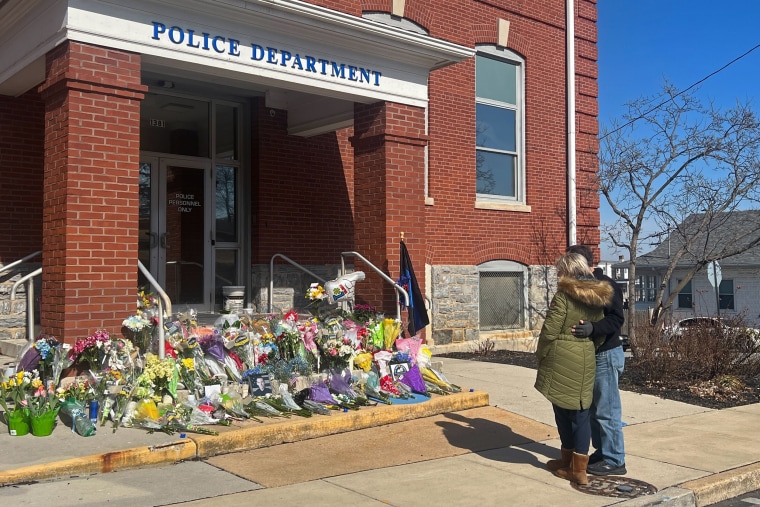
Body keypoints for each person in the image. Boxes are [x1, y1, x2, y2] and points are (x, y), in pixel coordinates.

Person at [534, 252, 613, 485]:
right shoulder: (596, 297)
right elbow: (599, 330)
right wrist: (587, 345)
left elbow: (550, 329)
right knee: (578, 412)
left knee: (564, 412)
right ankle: (572, 465)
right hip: (586, 356)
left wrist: (542, 354)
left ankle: (575, 468)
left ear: (567, 271)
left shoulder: (564, 296)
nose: (558, 274)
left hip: (561, 357)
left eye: (560, 270)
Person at [568, 244, 627, 476]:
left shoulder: (606, 286)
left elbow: (616, 319)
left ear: (585, 265)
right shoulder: (581, 286)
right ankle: (603, 452)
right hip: (591, 356)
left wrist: (594, 328)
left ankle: (615, 460)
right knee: (593, 411)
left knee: (607, 410)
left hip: (607, 355)